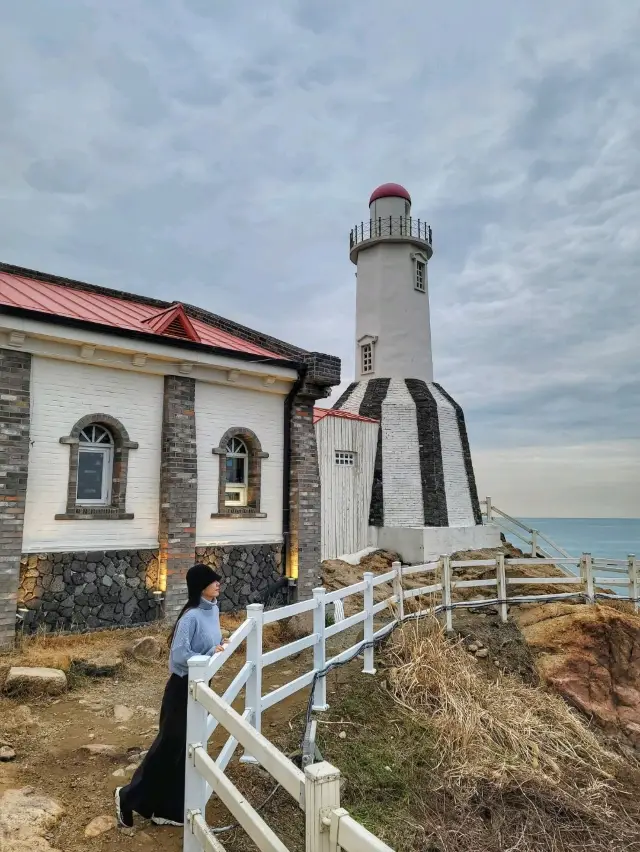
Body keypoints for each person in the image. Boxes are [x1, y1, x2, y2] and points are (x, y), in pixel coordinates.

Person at [115, 563, 226, 828]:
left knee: (185, 750)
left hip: (201, 686)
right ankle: (127, 796)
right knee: (169, 746)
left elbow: (210, 644)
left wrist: (218, 648)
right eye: (212, 581)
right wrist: (210, 654)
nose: (218, 583)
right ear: (200, 586)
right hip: (181, 688)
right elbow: (179, 656)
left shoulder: (213, 610)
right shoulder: (190, 617)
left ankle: (166, 809)